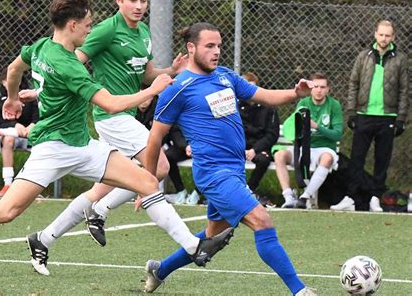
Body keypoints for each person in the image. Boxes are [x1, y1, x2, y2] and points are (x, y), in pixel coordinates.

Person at [0, 0, 233, 277]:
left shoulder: (42, 46)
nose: (91, 30)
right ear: (73, 25)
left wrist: (14, 97)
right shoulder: (70, 67)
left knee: (147, 180)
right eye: (89, 24)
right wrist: (151, 90)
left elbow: (15, 67)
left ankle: (195, 247)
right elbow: (111, 103)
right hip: (52, 147)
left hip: (82, 144)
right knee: (6, 211)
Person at [143, 22, 316, 295]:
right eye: (209, 46)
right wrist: (147, 183)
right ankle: (300, 290)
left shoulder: (225, 76)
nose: (216, 52)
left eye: (219, 46)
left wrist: (295, 93)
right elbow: (154, 139)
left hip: (234, 171)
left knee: (212, 238)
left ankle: (159, 269)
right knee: (262, 219)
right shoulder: (177, 89)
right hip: (213, 174)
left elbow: (265, 96)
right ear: (191, 48)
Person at [43, 0, 187, 247]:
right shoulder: (107, 29)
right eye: (133, 0)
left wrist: (172, 70)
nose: (139, 6)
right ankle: (100, 211)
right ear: (119, 0)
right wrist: (69, 88)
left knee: (104, 186)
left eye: (143, 0)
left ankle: (44, 238)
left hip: (126, 114)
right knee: (160, 167)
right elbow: (72, 58)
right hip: (111, 115)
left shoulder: (143, 32)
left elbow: (146, 75)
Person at [331, 20, 409, 212]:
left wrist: (400, 118)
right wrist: (351, 111)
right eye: (381, 34)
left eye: (388, 35)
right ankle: (351, 197)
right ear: (375, 34)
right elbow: (353, 85)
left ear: (393, 37)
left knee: (382, 160)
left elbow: (404, 90)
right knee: (357, 158)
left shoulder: (400, 59)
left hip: (387, 117)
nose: (384, 38)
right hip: (364, 114)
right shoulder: (363, 57)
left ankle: (376, 197)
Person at [274, 72, 343, 209]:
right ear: (311, 88)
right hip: (303, 149)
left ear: (328, 89)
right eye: (315, 86)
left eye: (322, 87)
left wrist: (317, 126)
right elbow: (293, 130)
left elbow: (337, 135)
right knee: (279, 155)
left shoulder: (334, 105)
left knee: (327, 159)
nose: (318, 90)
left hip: (323, 149)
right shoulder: (303, 103)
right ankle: (288, 197)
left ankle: (305, 197)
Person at [0, 68, 39, 197]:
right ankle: (8, 184)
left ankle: (32, 187)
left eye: (15, 79)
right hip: (9, 136)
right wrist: (15, 125)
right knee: (8, 139)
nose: (11, 83)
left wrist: (32, 126)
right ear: (3, 82)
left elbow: (37, 117)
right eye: (7, 80)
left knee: (41, 145)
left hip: (29, 135)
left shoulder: (29, 97)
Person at [239, 72, 280, 198]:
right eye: (246, 88)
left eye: (252, 88)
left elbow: (272, 135)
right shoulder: (235, 107)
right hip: (240, 147)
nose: (249, 92)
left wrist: (254, 150)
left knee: (263, 159)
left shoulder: (268, 108)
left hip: (259, 148)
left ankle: (249, 190)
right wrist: (242, 149)